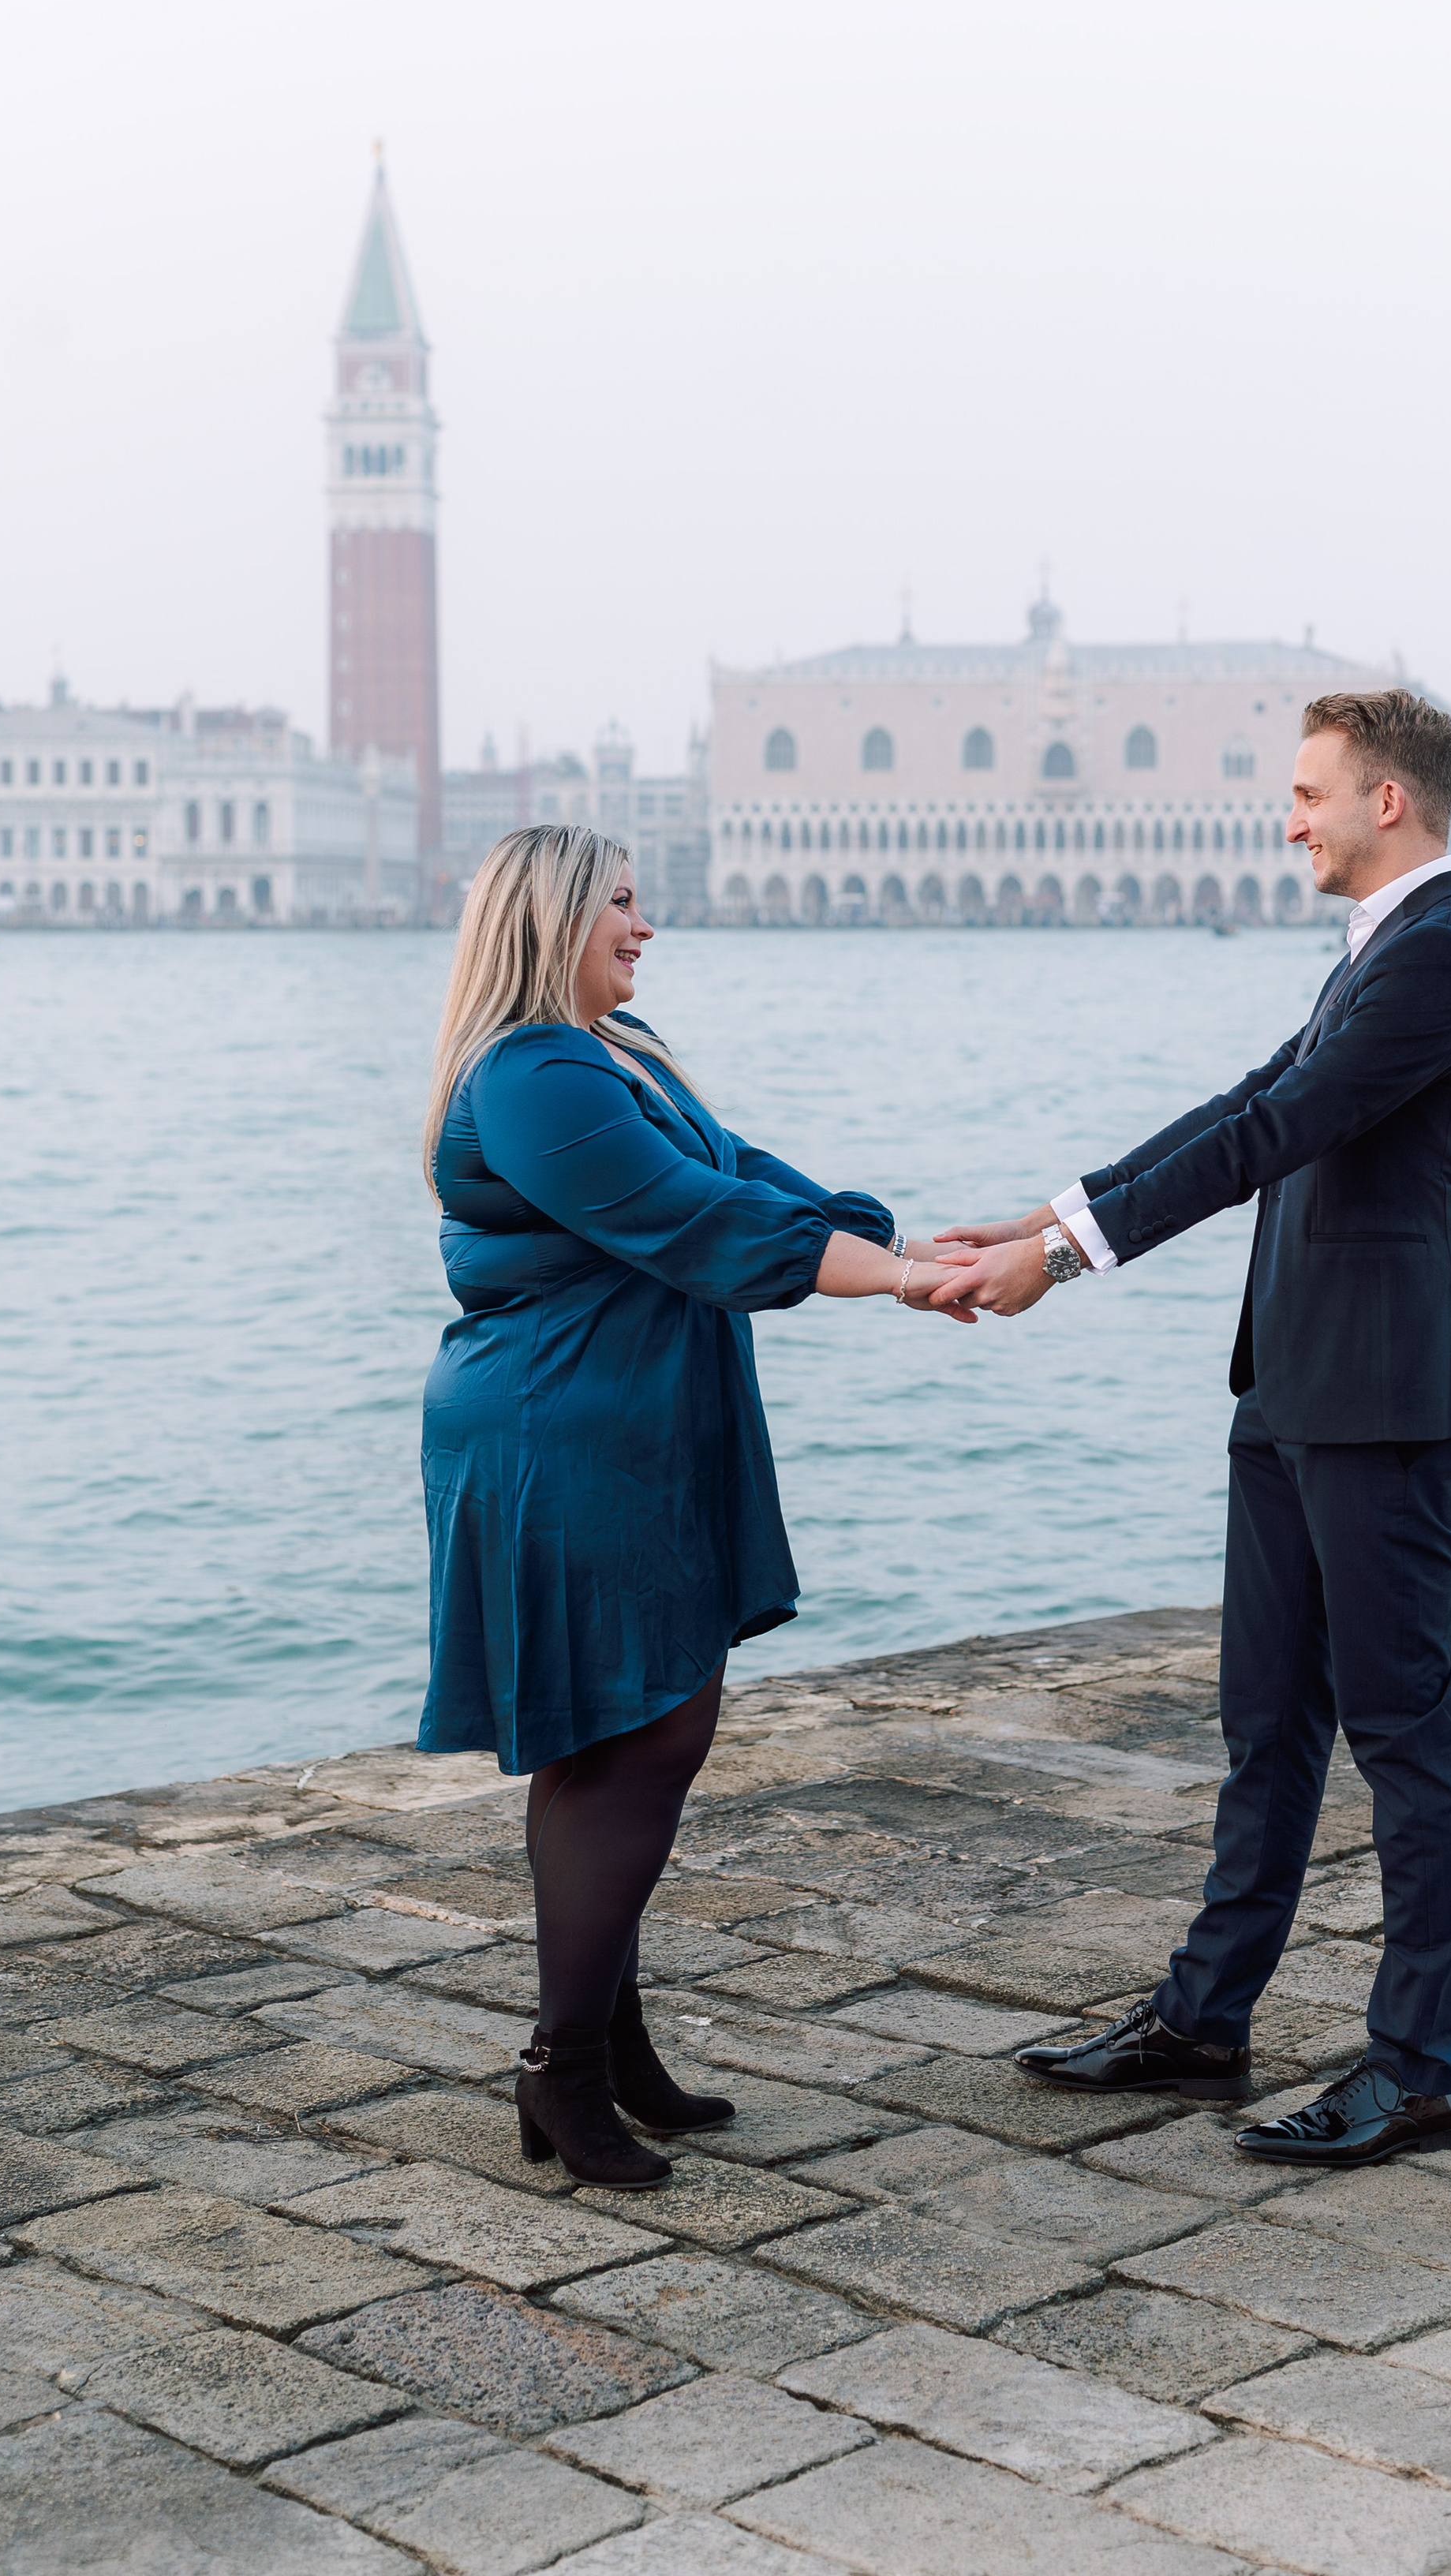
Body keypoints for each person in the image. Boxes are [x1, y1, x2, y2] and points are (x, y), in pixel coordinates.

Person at [933, 689, 1451, 2168]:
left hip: (1387, 1396)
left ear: (1388, 800)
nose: (1289, 817)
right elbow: (1254, 1095)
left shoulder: (1446, 956)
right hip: (1296, 1385)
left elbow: (1278, 1133)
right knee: (1267, 1718)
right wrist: (1057, 1213)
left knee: (1402, 1730)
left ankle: (1418, 2067)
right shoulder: (1384, 952)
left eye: (1310, 791)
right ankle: (1206, 2020)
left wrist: (1066, 1264)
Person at [419, 824, 970, 2188]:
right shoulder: (533, 1074)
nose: (644, 922)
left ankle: (609, 2034)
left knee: (621, 1730)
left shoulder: (622, 1049)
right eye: (619, 902)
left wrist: (906, 1241)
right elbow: (695, 1222)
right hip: (565, 1432)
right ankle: (565, 2067)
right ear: (550, 920)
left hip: (635, 1424)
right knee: (638, 1731)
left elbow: (744, 1175)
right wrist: (899, 1287)